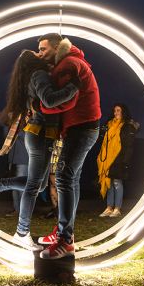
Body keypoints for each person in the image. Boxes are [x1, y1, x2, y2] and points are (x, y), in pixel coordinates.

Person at [0, 49, 79, 249]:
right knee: (34, 186)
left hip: (39, 135)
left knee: (39, 185)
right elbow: (49, 100)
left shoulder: (30, 77)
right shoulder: (38, 75)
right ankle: (21, 232)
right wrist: (73, 87)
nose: (40, 54)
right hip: (40, 135)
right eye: (37, 52)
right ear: (32, 61)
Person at [36, 34, 102, 260]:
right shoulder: (71, 61)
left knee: (64, 178)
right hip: (82, 127)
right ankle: (64, 234)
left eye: (43, 49)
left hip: (81, 127)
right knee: (70, 179)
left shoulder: (67, 65)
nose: (40, 53)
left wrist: (41, 106)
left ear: (56, 48)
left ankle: (65, 240)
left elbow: (65, 101)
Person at [97, 103, 139, 218]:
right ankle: (109, 207)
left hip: (120, 158)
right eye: (115, 111)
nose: (116, 113)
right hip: (108, 158)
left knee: (117, 182)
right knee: (109, 182)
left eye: (118, 111)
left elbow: (129, 145)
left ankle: (117, 208)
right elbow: (105, 142)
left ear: (123, 112)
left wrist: (126, 161)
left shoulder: (127, 126)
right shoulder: (109, 124)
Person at [5, 130, 29, 217]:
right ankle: (17, 209)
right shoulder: (14, 125)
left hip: (23, 159)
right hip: (12, 159)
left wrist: (17, 131)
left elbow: (26, 138)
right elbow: (7, 137)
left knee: (21, 186)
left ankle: (23, 212)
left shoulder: (29, 123)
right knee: (13, 186)